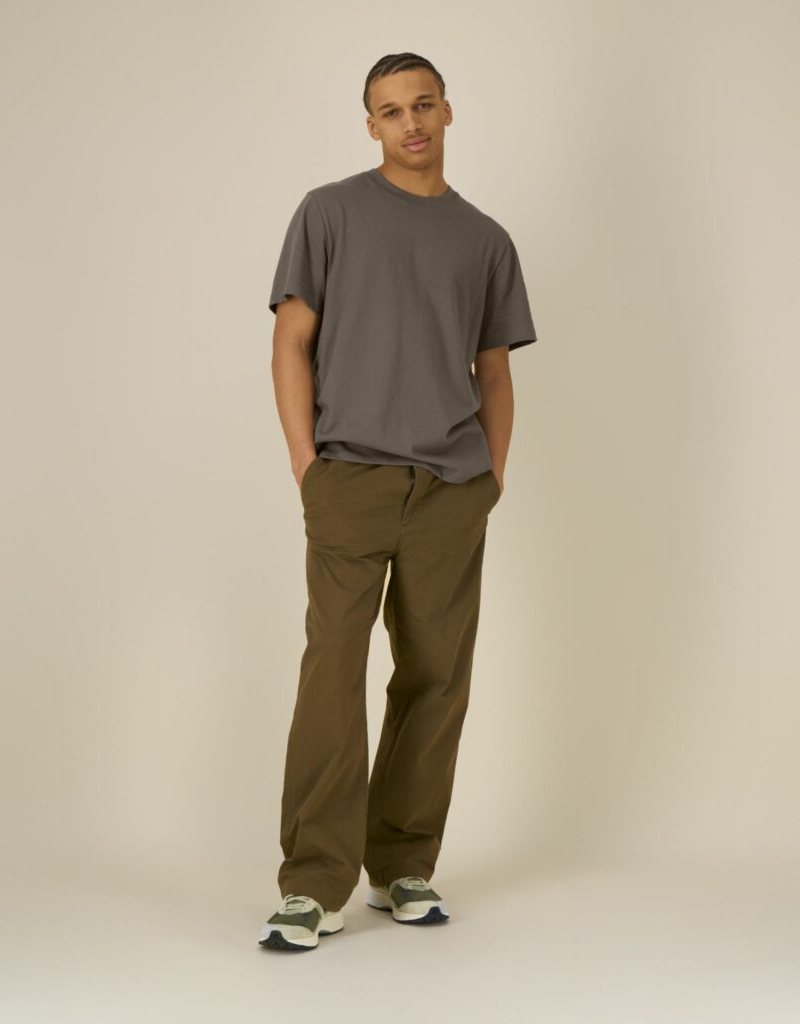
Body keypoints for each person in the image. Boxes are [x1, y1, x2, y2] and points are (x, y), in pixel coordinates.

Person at [260, 52, 538, 952]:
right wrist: (307, 465)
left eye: (422, 105)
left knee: (435, 677)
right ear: (370, 124)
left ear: (447, 112)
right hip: (349, 478)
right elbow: (290, 342)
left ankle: (402, 863)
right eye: (390, 111)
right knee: (332, 672)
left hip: (451, 489)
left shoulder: (485, 239)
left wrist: (489, 479)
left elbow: (492, 372)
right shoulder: (329, 212)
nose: (409, 122)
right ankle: (313, 882)